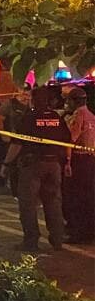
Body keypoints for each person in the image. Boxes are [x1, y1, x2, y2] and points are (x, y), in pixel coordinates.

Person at [0, 87, 70, 252]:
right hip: (54, 165)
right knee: (53, 202)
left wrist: (6, 164)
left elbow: (17, 144)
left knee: (28, 204)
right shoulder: (56, 118)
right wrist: (67, 162)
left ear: (34, 100)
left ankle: (31, 241)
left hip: (33, 166)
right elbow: (67, 142)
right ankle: (57, 239)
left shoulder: (29, 118)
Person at [63, 87, 95, 244]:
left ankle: (78, 232)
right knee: (89, 197)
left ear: (73, 101)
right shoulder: (91, 116)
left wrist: (67, 162)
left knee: (75, 198)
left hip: (79, 161)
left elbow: (70, 140)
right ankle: (89, 231)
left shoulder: (78, 116)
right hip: (90, 161)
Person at [0, 86, 32, 197]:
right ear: (18, 92)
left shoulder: (31, 105)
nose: (26, 95)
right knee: (13, 166)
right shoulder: (10, 104)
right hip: (13, 140)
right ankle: (15, 192)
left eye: (28, 93)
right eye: (24, 92)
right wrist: (3, 135)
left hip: (28, 141)